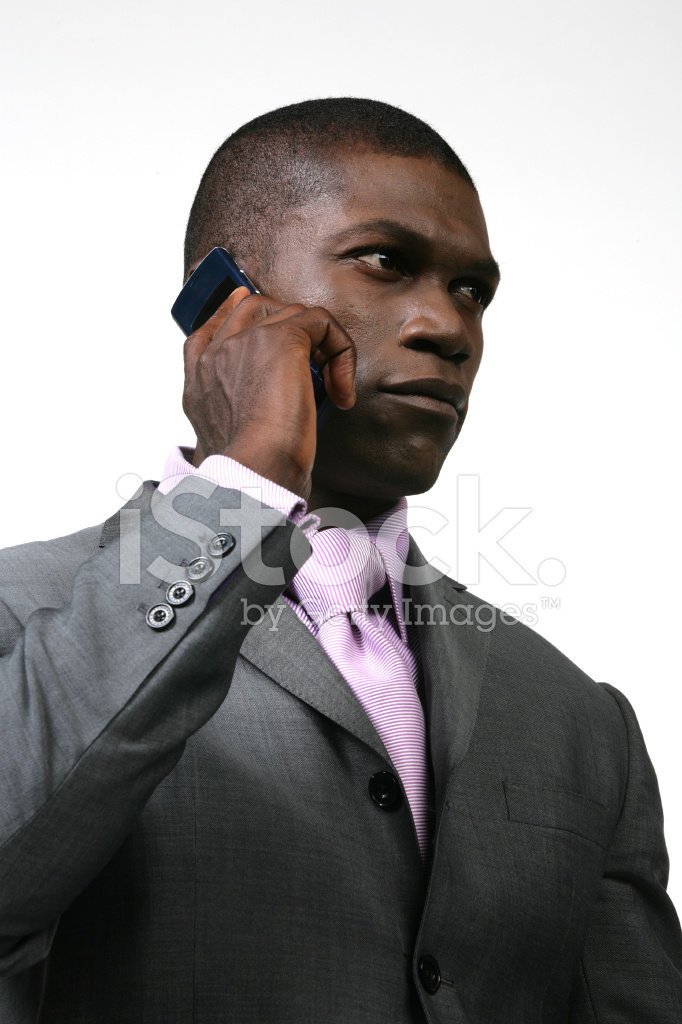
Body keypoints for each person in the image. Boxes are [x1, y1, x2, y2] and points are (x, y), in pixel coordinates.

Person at [0, 97, 680, 1023]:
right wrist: (246, 481)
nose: (449, 327)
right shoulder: (21, 615)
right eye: (386, 262)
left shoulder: (582, 721)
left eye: (473, 291)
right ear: (228, 302)